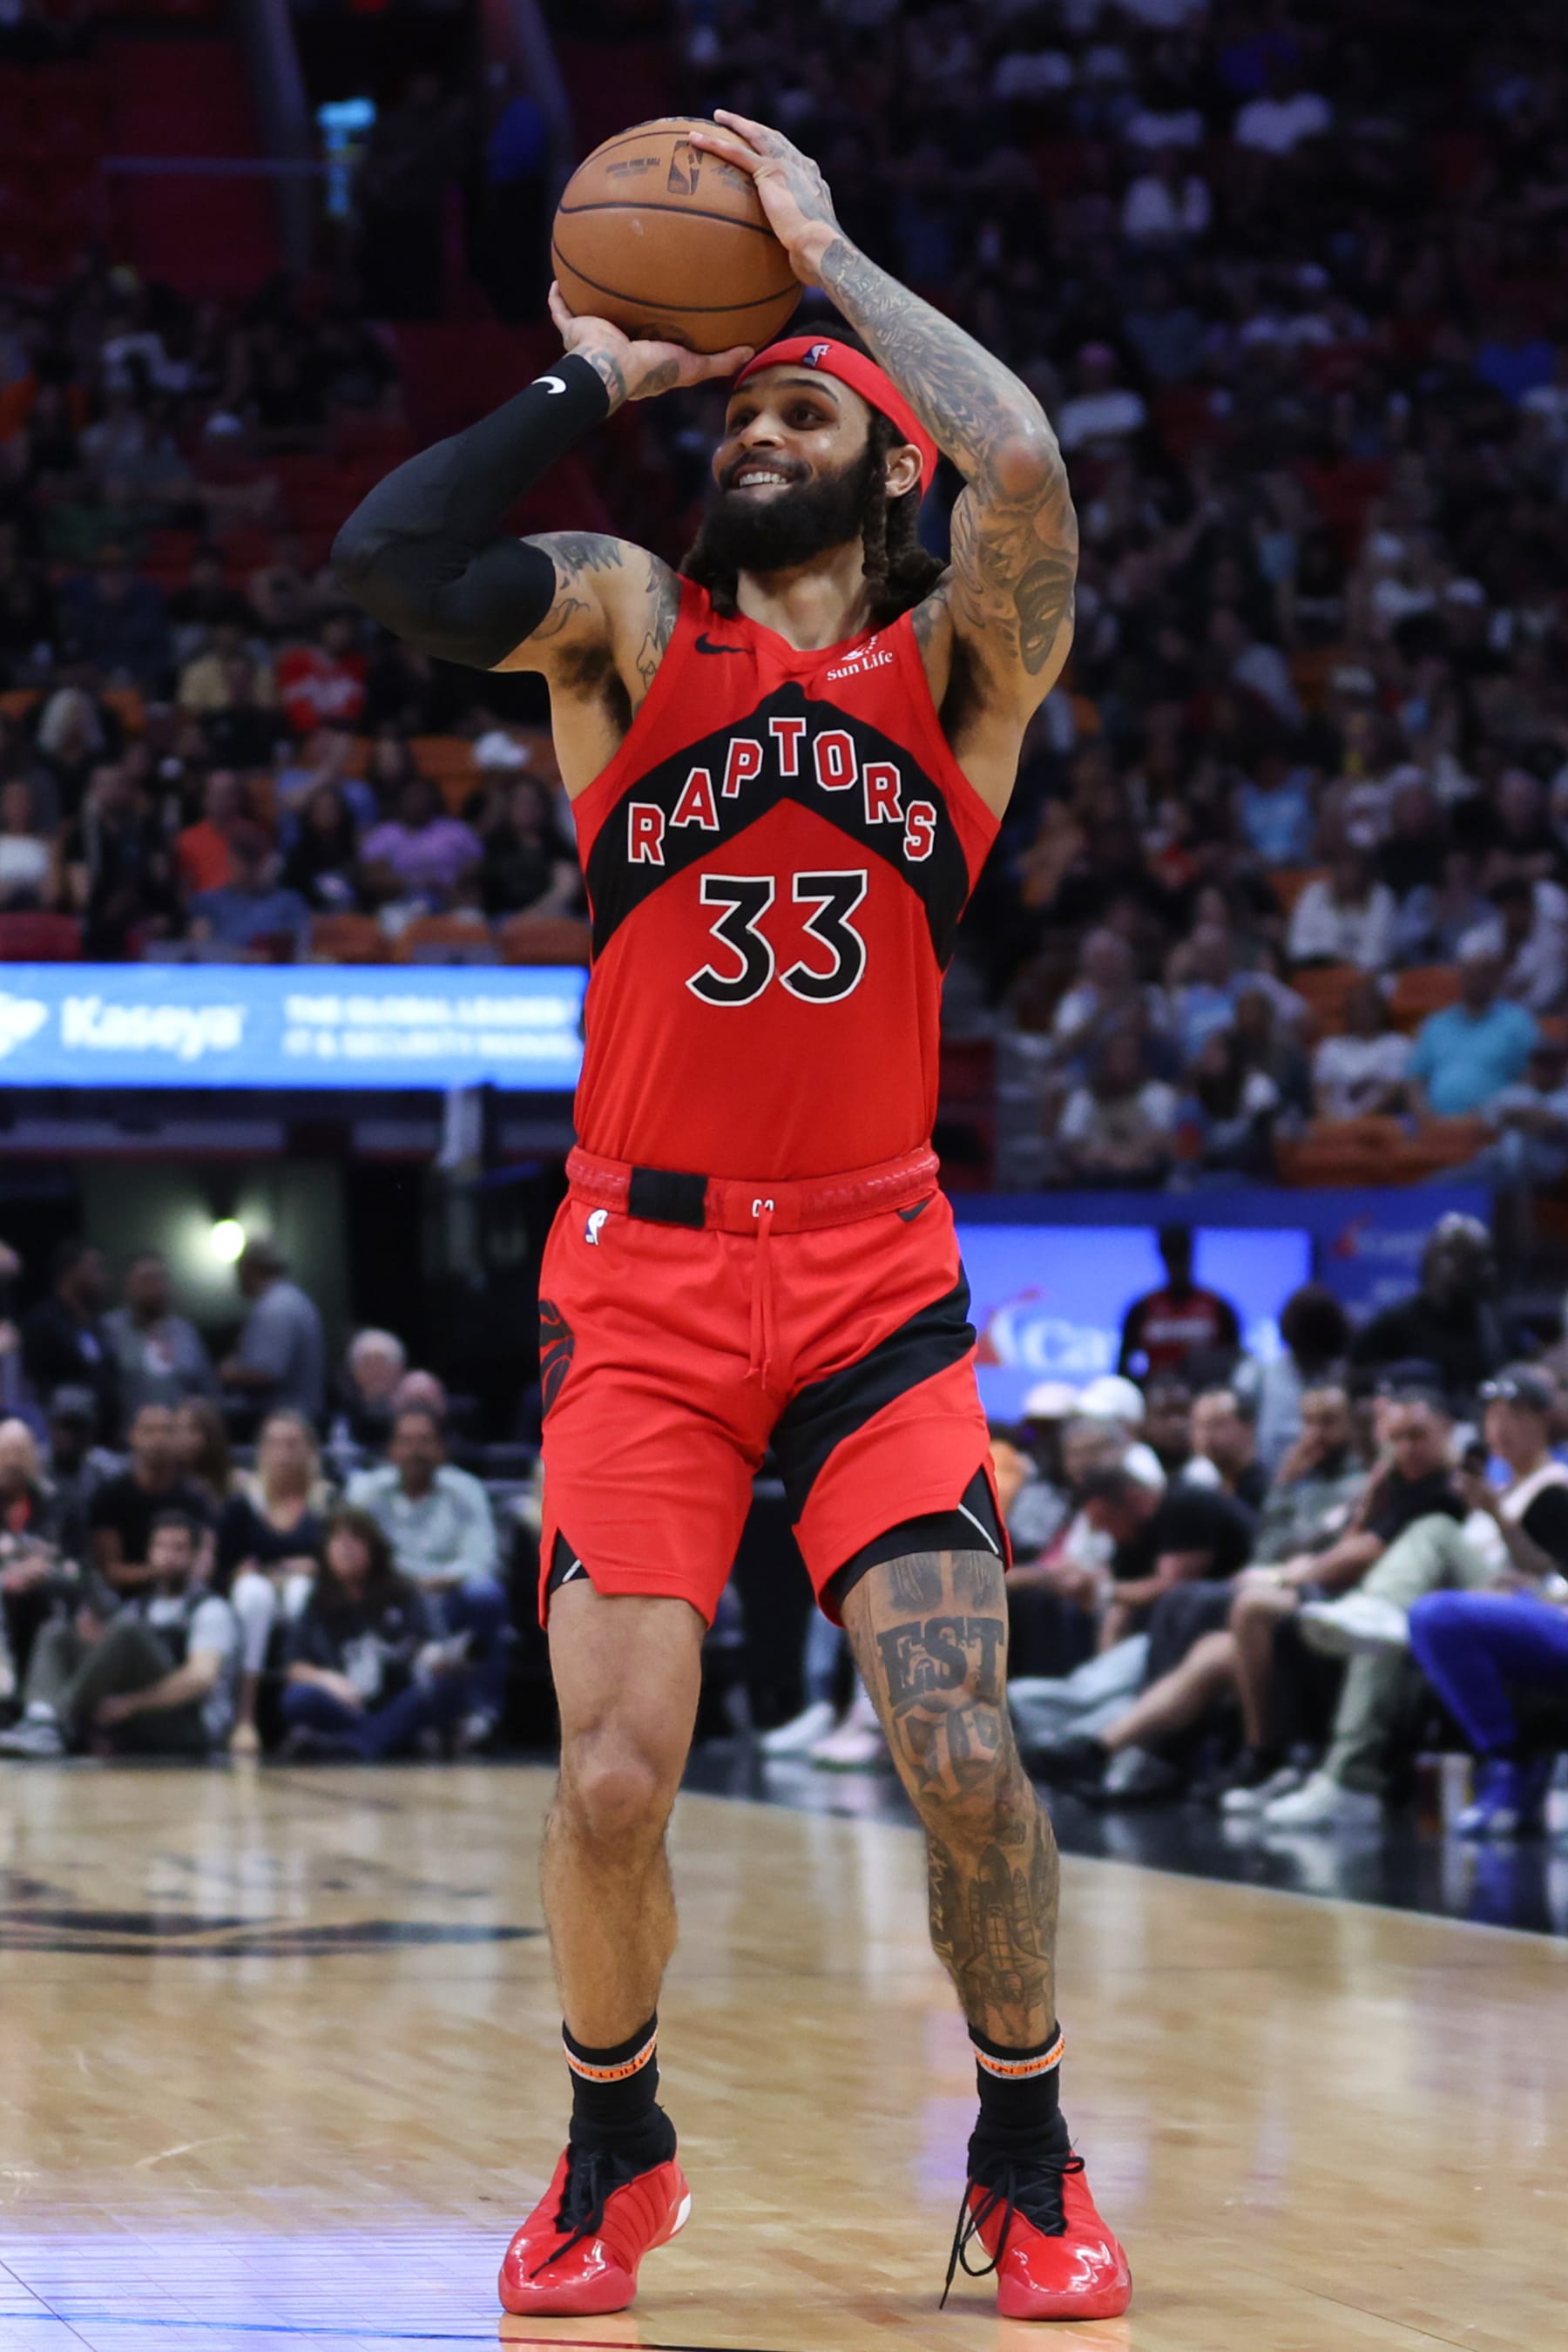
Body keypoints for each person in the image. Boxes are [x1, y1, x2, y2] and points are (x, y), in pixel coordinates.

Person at [334, 105, 1128, 2321]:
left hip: (875, 1263)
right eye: (745, 402)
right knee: (608, 1777)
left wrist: (825, 265)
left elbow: (1034, 474)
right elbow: (389, 564)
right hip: (646, 1271)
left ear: (885, 468)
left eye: (799, 409)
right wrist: (605, 372)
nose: (756, 426)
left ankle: (1030, 2154)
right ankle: (614, 2146)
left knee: (962, 1743)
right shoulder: (617, 621)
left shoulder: (963, 672)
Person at [1281, 1369, 1568, 1833]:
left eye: (1514, 1414)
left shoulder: (1554, 1487)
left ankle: (1380, 1613)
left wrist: (1500, 1525)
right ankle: (1334, 1766)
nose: (1500, 1427)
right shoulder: (1490, 1487)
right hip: (1482, 1604)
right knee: (1411, 1618)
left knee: (1432, 1537)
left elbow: (1554, 1578)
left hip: (1539, 1609)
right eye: (1492, 1415)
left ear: (1542, 1421)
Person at [1234, 1383, 1467, 1827]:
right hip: (1367, 1597)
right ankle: (1274, 1759)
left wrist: (1287, 1576)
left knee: (1281, 1614)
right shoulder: (1390, 1486)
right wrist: (1362, 1502)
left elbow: (1362, 1554)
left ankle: (1323, 1769)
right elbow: (1337, 1541)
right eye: (1395, 1439)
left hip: (1440, 1601)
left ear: (1448, 1429)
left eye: (1416, 1436)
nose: (1405, 1449)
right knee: (1229, 1613)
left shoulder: (1449, 1489)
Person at [0, 1509, 238, 1759]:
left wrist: (131, 1704)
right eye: (161, 1547)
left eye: (179, 1549)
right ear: (149, 1552)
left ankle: (62, 1723)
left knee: (126, 1629)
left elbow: (200, 1679)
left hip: (191, 1725)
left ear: (195, 1556)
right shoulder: (140, 1606)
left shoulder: (211, 1610)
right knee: (57, 1634)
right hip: (138, 1721)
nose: (168, 1556)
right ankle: (41, 1719)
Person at [346, 1406, 507, 1743]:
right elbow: (351, 1549)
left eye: (424, 1441)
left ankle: (481, 1714)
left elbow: (482, 1558)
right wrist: (403, 1586)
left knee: (487, 1593)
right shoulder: (367, 1493)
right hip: (389, 1597)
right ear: (390, 1450)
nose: (415, 1450)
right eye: (405, 1441)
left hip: (450, 1592)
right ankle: (397, 1715)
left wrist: (433, 1582)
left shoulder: (466, 1490)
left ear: (441, 1449)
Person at [280, 1505, 480, 1759]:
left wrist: (433, 1658)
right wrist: (329, 1682)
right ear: (326, 1550)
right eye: (338, 1540)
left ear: (373, 1547)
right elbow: (294, 1665)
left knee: (444, 1687)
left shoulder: (403, 1592)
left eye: (356, 1540)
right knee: (297, 1698)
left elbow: (433, 1646)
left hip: (397, 1700)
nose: (347, 1548)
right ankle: (377, 1739)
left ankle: (354, 1744)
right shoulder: (317, 1600)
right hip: (347, 1703)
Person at [216, 1408, 330, 1755]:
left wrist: (316, 1567)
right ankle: (245, 1716)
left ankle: (306, 1713)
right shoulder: (241, 1504)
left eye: (293, 1444)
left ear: (311, 1451)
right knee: (254, 1595)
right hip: (257, 1594)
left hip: (305, 1592)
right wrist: (240, 1573)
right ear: (261, 1451)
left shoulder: (327, 1502)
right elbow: (220, 1568)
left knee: (302, 1592)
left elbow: (343, 1561)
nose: (284, 1452)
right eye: (275, 1444)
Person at [1348, 1215, 1511, 1408]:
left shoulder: (1495, 1326)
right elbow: (1353, 1378)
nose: (1488, 1271)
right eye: (1476, 1261)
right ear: (1443, 1263)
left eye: (1488, 1261)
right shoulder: (1395, 1323)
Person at [88, 1402, 213, 1598]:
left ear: (177, 1439)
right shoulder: (110, 1496)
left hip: (185, 1596)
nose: (158, 1439)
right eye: (149, 1431)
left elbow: (205, 1557)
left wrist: (183, 1580)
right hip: (125, 1600)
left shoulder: (195, 1496)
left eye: (166, 1431)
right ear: (133, 1436)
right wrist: (159, 1571)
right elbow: (109, 1572)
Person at [1404, 939, 1538, 1118]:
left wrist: (1499, 1113)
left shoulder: (1517, 1022)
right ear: (1459, 975)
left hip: (1493, 1128)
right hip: (1435, 1126)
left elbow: (1532, 1078)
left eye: (1483, 972)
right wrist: (1425, 1117)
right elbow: (1415, 1079)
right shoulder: (1437, 1023)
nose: (1476, 978)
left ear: (1495, 977)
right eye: (1470, 972)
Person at [220, 1239, 326, 1429]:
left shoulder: (274, 1307)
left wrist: (229, 1373)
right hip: (299, 1421)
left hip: (287, 1424)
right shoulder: (294, 1298)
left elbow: (266, 1374)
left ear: (249, 1268)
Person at [102, 1251, 218, 1421]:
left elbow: (208, 1392)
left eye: (158, 1279)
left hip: (181, 1437)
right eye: (145, 1280)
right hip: (128, 1438)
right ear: (128, 1284)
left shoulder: (186, 1333)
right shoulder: (109, 1330)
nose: (152, 1288)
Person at [21, 1238, 118, 1437]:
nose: (103, 1277)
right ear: (71, 1272)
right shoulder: (43, 1322)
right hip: (63, 1437)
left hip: (104, 1435)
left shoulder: (97, 1325)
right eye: (95, 1268)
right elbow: (35, 1386)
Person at [1118, 1225, 1240, 1382]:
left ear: (1191, 1255)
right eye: (1172, 1258)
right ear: (1163, 1258)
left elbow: (1237, 1365)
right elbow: (1123, 1369)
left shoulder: (1218, 1308)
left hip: (1206, 1397)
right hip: (1156, 1397)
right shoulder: (1142, 1310)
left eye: (1182, 1257)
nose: (1178, 1267)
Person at [1311, 977, 1411, 1120]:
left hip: (1377, 1126)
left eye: (1367, 1007)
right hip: (1334, 1123)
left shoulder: (1397, 1044)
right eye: (1355, 1007)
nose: (1361, 1013)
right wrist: (1330, 1122)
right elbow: (1320, 1094)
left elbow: (1393, 1091)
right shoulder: (1330, 1047)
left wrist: (1357, 1124)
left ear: (1380, 1009)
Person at [1186, 1387, 1267, 1510]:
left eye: (1217, 1424)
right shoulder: (1189, 1486)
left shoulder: (1268, 1491)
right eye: (1199, 1426)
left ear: (1249, 1428)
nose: (1206, 1436)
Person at [172, 1396, 234, 1515]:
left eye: (193, 1429)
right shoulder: (163, 1482)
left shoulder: (236, 1484)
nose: (184, 1438)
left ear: (211, 1434)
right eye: (177, 1429)